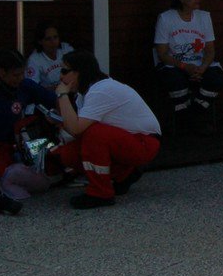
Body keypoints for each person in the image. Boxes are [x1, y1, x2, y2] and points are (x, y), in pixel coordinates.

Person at [51, 50, 161, 209]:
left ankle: (100, 193)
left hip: (144, 142)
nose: (61, 76)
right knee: (68, 154)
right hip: (130, 139)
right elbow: (76, 130)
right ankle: (124, 175)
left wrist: (62, 95)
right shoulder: (87, 92)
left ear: (79, 72)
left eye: (64, 71)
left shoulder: (100, 90)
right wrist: (60, 121)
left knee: (93, 134)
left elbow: (76, 129)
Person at [0, 49, 59, 212]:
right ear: (1, 73)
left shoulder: (25, 86)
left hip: (24, 143)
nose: (21, 78)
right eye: (16, 75)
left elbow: (54, 101)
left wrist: (54, 117)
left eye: (22, 73)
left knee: (53, 168)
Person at [153, 0, 223, 133]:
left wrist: (202, 68)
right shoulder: (166, 19)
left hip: (199, 64)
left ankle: (190, 115)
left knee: (216, 78)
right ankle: (192, 119)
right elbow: (162, 54)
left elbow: (210, 50)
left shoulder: (204, 17)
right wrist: (185, 67)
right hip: (175, 64)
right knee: (173, 79)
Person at [23, 22, 73, 90]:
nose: (53, 42)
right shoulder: (34, 60)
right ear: (40, 41)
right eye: (48, 39)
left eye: (55, 37)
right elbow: (32, 88)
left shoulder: (66, 49)